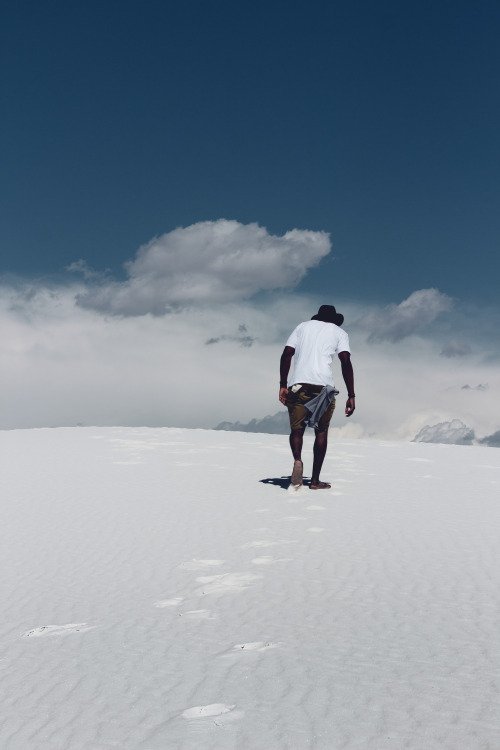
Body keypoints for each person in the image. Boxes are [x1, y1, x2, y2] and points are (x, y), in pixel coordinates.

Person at [279, 305, 355, 489]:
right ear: (334, 319)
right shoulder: (339, 332)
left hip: (298, 385)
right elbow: (345, 360)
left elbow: (287, 354)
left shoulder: (302, 327)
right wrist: (351, 394)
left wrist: (282, 384)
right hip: (323, 387)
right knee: (321, 431)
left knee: (297, 430)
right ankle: (314, 481)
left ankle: (298, 460)